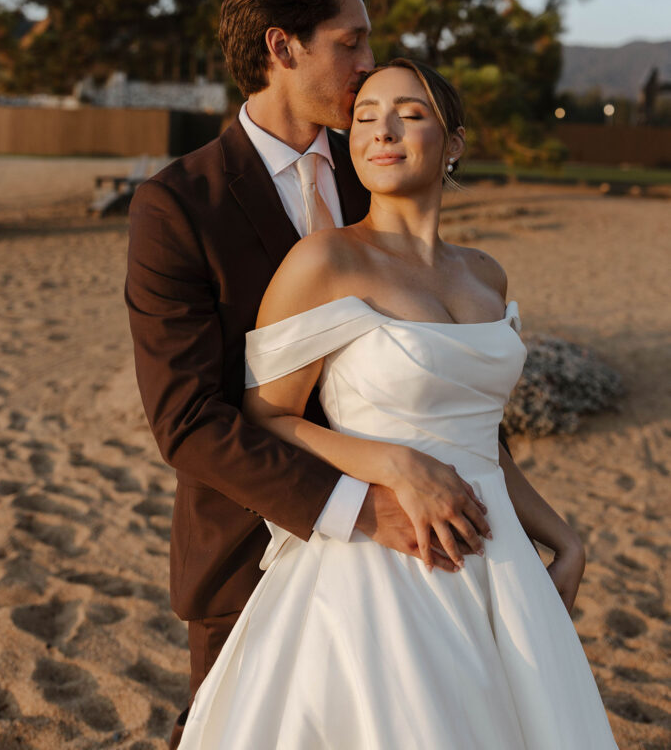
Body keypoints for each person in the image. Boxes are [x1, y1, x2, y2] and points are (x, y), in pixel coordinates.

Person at [177, 59, 619, 749]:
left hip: (497, 557)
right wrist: (390, 463)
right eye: (364, 116)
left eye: (410, 114)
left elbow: (481, 444)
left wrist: (562, 539)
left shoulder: (483, 274)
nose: (382, 130)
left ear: (454, 143)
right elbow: (266, 417)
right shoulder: (324, 262)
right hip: (383, 554)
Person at [125, 0, 498, 749]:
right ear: (280, 47)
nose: (369, 70)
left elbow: (433, 349)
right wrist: (361, 507)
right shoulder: (178, 207)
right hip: (252, 554)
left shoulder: (378, 169)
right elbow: (187, 420)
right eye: (351, 43)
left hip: (428, 547)